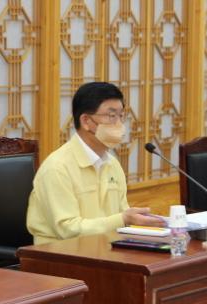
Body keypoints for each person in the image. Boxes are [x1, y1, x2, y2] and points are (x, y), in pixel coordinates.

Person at [27, 82, 166, 244]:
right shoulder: (57, 168)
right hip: (59, 253)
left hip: (105, 248)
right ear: (86, 121)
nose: (119, 124)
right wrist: (123, 219)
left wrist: (140, 222)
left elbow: (122, 214)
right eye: (111, 115)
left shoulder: (112, 164)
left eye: (121, 116)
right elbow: (67, 230)